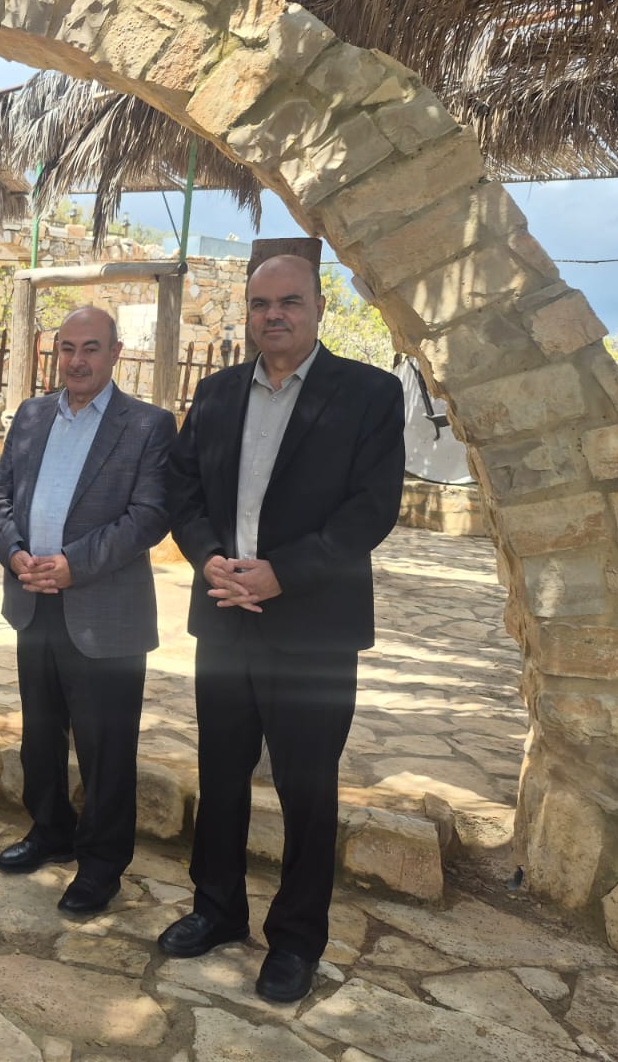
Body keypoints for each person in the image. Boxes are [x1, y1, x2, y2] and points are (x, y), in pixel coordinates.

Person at [160, 253, 404, 1003]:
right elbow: (182, 486)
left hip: (313, 630)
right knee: (221, 775)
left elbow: (371, 510)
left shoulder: (369, 393)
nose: (273, 315)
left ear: (319, 307)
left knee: (307, 788)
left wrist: (283, 572)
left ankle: (296, 940)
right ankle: (217, 909)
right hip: (224, 615)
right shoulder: (217, 391)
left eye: (289, 301)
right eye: (260, 303)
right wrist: (206, 557)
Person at [0, 307, 175, 915]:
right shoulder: (32, 415)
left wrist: (72, 563)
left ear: (116, 353)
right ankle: (49, 832)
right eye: (67, 348)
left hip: (104, 615)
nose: (77, 360)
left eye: (91, 347)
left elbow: (149, 516)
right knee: (41, 737)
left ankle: (100, 866)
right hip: (33, 603)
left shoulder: (147, 425)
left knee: (105, 749)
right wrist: (14, 552)